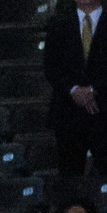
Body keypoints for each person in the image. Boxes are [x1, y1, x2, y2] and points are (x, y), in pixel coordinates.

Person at [47, 0, 107, 180]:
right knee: (70, 178)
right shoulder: (59, 24)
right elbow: (51, 66)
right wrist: (74, 90)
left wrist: (93, 90)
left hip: (104, 112)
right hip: (68, 115)